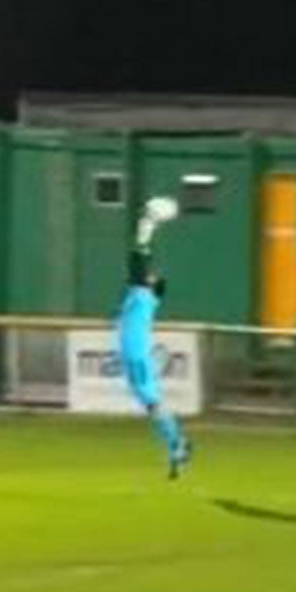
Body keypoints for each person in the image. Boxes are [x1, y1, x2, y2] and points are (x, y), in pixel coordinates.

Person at [118, 205, 193, 478]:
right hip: (133, 355)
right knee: (151, 404)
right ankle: (177, 445)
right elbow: (137, 266)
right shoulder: (140, 295)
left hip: (136, 356)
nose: (149, 275)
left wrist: (146, 226)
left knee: (152, 404)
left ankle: (177, 444)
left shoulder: (144, 296)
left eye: (152, 277)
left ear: (153, 287)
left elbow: (137, 260)